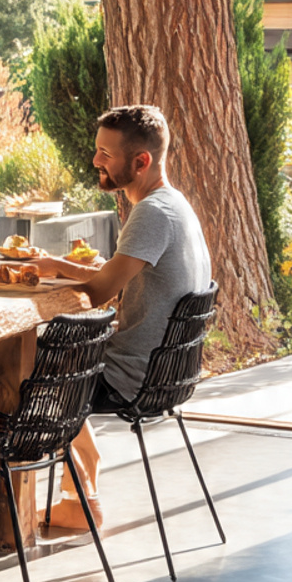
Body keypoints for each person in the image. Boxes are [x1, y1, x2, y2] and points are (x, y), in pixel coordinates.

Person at [37, 104, 212, 527]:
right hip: (165, 374)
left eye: (106, 153)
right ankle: (82, 487)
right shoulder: (175, 205)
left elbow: (99, 292)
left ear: (141, 161)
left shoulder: (152, 213)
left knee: (21, 367)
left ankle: (77, 498)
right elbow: (114, 277)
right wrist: (57, 266)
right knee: (50, 358)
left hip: (131, 378)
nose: (95, 160)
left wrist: (47, 280)